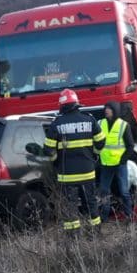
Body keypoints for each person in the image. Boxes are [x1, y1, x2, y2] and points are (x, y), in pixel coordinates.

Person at [43, 89, 106, 234]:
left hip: (67, 174)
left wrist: (56, 161)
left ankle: (74, 235)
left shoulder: (57, 124)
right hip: (88, 171)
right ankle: (95, 232)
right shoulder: (89, 119)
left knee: (70, 204)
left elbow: (48, 150)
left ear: (62, 106)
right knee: (91, 202)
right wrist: (94, 155)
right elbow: (101, 142)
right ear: (76, 104)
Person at [98, 101, 136, 222]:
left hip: (120, 164)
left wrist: (122, 160)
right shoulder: (100, 123)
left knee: (124, 192)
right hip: (105, 164)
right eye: (105, 108)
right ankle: (104, 217)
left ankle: (129, 216)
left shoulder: (123, 125)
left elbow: (130, 145)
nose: (106, 111)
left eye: (109, 109)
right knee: (104, 192)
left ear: (115, 110)